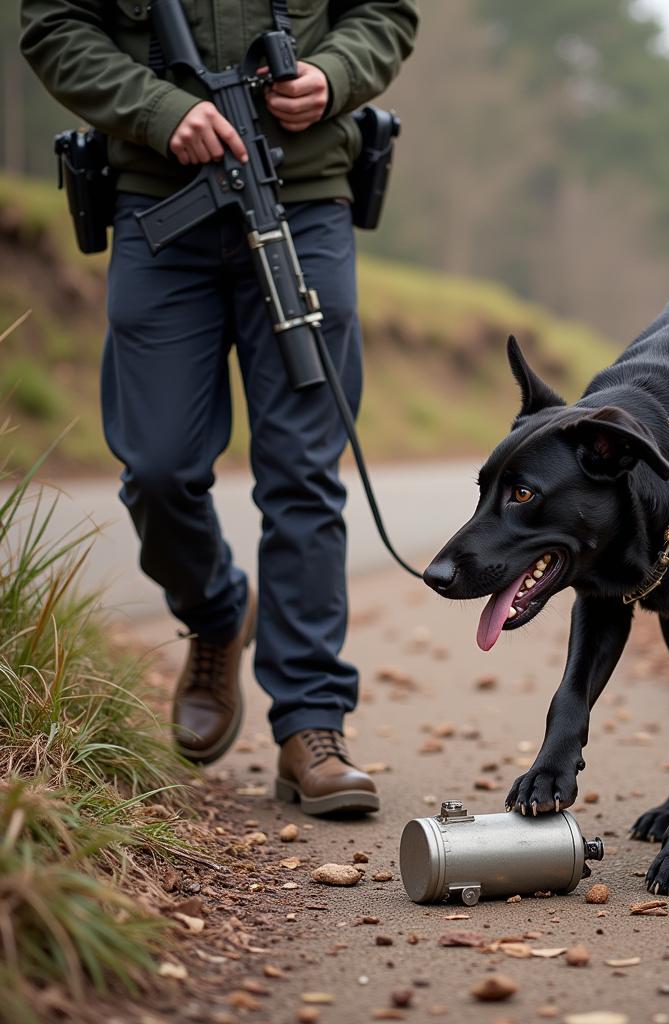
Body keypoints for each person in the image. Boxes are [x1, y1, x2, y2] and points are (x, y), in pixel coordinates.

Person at [20, 0, 418, 816]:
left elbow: (384, 13)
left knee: (304, 473)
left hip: (303, 201)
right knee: (158, 467)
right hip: (157, 206)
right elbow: (54, 25)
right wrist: (162, 110)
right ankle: (215, 612)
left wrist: (331, 76)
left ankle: (311, 725)